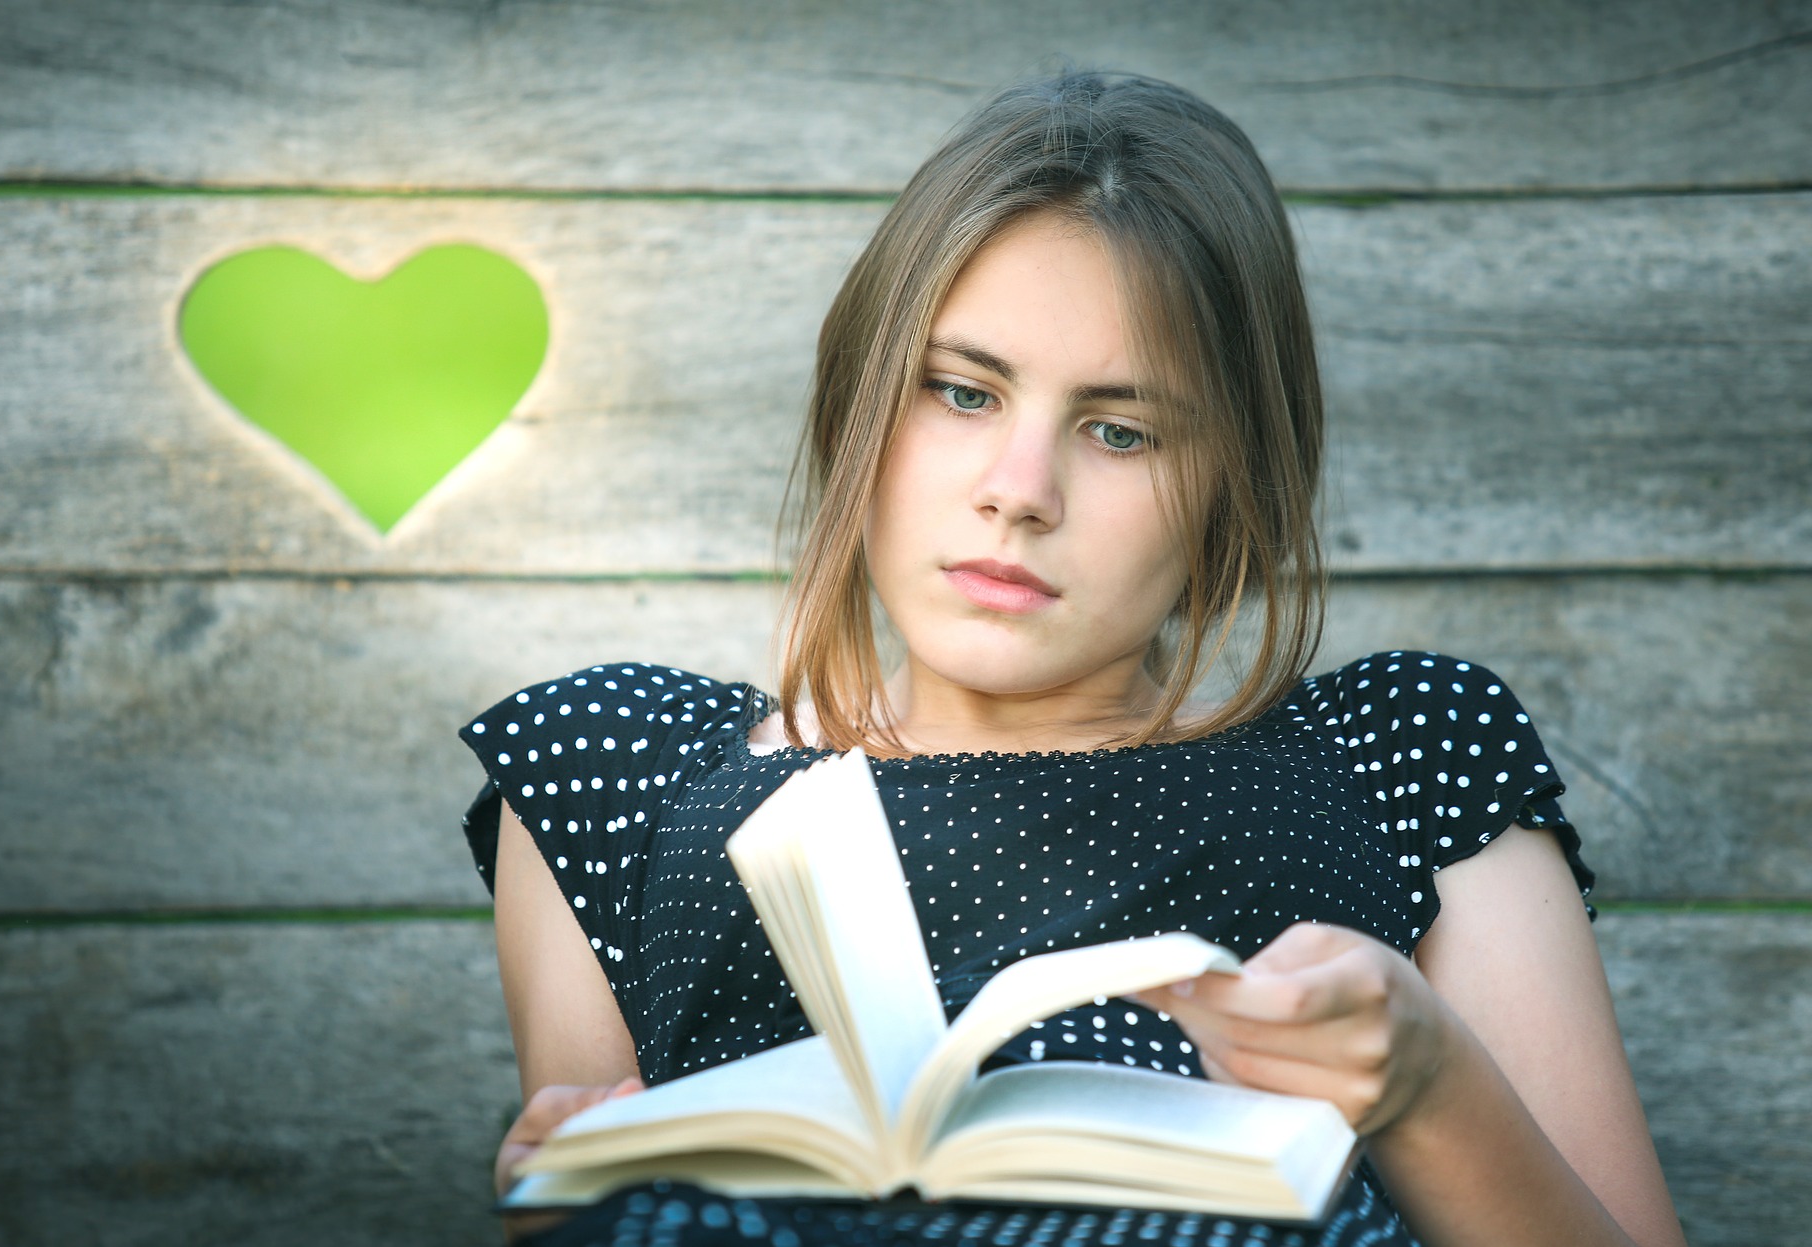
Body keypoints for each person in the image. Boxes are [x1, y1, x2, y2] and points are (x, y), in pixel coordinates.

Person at [457, 71, 1686, 1247]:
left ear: (1233, 485)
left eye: (1119, 430)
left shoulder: (1392, 753)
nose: (1020, 493)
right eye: (962, 392)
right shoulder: (616, 768)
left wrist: (1430, 1084)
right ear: (862, 395)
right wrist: (570, 1191)